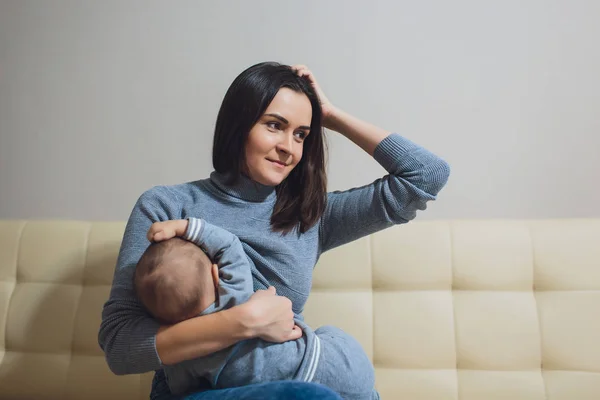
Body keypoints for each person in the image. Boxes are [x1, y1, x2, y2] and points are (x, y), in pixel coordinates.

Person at [98, 61, 451, 400]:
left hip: (285, 380)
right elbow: (120, 346)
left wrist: (330, 116)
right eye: (274, 125)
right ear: (239, 125)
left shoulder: (311, 215)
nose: (289, 147)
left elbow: (427, 175)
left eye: (301, 134)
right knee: (306, 396)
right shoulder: (167, 206)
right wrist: (243, 322)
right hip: (196, 390)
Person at [134, 217, 378, 399]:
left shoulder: (183, 356)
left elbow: (179, 390)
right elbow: (228, 245)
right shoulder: (235, 294)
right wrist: (185, 227)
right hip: (336, 361)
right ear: (215, 273)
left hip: (304, 381)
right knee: (328, 333)